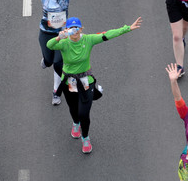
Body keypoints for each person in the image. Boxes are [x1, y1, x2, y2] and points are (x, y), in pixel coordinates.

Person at [47, 16, 142, 153]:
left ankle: (85, 138)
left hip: (86, 80)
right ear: (66, 30)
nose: (74, 32)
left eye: (77, 28)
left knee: (83, 113)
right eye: (71, 29)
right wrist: (58, 37)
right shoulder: (64, 43)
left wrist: (127, 28)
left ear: (81, 29)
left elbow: (107, 35)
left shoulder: (88, 39)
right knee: (73, 108)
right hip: (69, 81)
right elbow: (49, 45)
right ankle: (75, 123)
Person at [17, 0, 87, 106]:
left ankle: (56, 92)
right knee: (48, 61)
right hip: (46, 34)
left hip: (62, 35)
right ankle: (45, 60)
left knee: (58, 63)